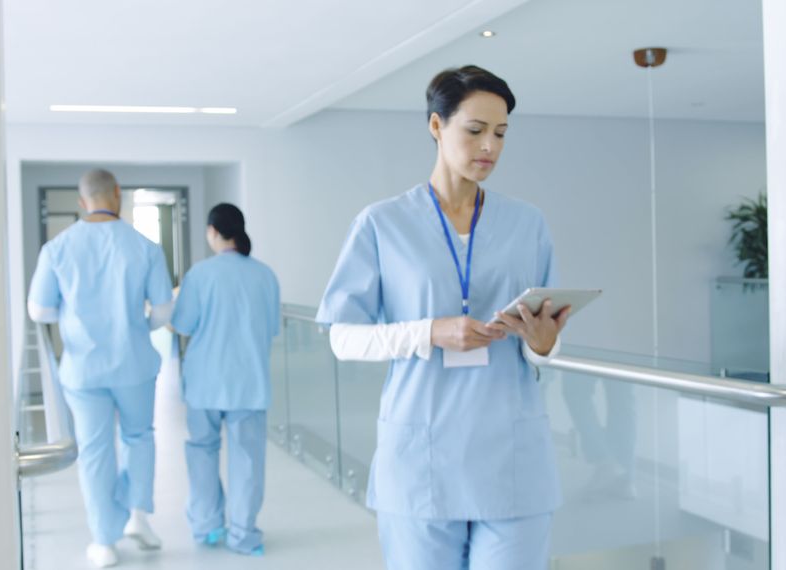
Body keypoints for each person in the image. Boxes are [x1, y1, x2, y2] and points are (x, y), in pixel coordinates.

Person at [316, 65, 571, 570]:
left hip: (511, 456)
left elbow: (547, 339)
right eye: (474, 131)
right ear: (437, 126)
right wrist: (429, 332)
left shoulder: (526, 223)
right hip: (422, 457)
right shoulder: (382, 224)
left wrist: (544, 343)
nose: (489, 147)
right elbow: (343, 338)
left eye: (500, 134)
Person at [27, 169, 173, 568]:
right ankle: (137, 517)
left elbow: (38, 309)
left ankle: (103, 541)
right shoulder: (145, 247)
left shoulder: (57, 248)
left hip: (82, 369)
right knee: (139, 437)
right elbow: (162, 311)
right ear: (117, 195)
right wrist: (138, 326)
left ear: (82, 201)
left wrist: (73, 317)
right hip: (134, 364)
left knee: (94, 450)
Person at [171, 203, 280, 557]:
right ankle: (243, 534)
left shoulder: (200, 275)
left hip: (205, 382)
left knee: (202, 452)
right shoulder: (265, 275)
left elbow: (183, 324)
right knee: (247, 459)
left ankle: (207, 526)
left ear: (213, 232)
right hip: (249, 382)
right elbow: (272, 327)